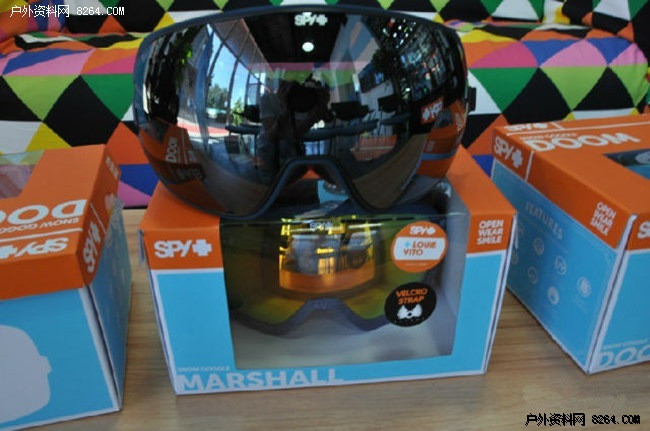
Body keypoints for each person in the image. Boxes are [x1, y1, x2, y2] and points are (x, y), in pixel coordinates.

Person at [256, 77, 331, 184]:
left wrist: (320, 107)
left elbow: (297, 133)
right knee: (271, 186)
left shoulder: (302, 101)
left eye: (297, 87)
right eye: (287, 86)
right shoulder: (268, 99)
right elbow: (271, 135)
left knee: (306, 180)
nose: (292, 92)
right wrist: (285, 109)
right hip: (270, 157)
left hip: (294, 156)